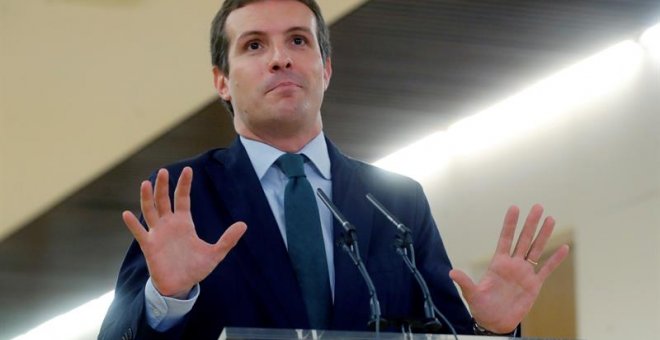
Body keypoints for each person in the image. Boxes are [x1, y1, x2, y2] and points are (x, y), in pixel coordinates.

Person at [99, 0, 570, 339]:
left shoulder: (397, 202)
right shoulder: (184, 197)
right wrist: (168, 299)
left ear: (325, 68)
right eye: (254, 45)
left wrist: (491, 329)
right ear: (222, 81)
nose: (280, 57)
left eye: (298, 41)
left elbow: (442, 331)